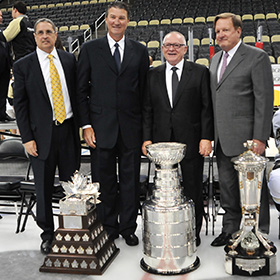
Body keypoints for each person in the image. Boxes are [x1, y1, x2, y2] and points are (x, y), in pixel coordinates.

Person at [77, 1, 149, 246]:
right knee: (104, 182)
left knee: (130, 183)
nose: (117, 21)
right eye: (112, 17)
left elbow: (144, 94)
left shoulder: (139, 51)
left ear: (128, 21)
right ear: (106, 20)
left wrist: (145, 131)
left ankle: (128, 227)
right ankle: (108, 226)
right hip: (100, 129)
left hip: (131, 129)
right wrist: (86, 125)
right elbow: (81, 91)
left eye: (122, 17)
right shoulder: (89, 49)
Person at [13, 18, 81, 254]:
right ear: (34, 37)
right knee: (42, 187)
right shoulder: (23, 66)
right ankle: (48, 234)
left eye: (48, 32)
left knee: (71, 186)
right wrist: (26, 138)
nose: (44, 36)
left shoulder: (69, 59)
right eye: (40, 32)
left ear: (55, 34)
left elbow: (78, 94)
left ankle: (72, 230)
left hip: (69, 131)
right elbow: (20, 106)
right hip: (40, 137)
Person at [142, 31, 214, 247]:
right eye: (167, 45)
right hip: (161, 143)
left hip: (191, 141)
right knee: (164, 190)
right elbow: (147, 110)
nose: (171, 49)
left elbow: (206, 108)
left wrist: (206, 137)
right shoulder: (152, 74)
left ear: (185, 48)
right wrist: (146, 139)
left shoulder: (200, 72)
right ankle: (166, 230)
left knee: (192, 187)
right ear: (162, 49)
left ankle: (193, 232)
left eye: (176, 45)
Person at [209, 13, 274, 246]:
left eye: (225, 30)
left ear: (238, 31)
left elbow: (264, 101)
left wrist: (259, 137)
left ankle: (259, 231)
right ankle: (229, 229)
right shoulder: (215, 59)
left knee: (254, 189)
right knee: (226, 187)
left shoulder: (257, 57)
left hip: (248, 140)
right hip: (222, 138)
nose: (221, 35)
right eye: (217, 31)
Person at [0, 10, 13, 122]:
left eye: (1, 15)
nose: (1, 18)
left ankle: (2, 114)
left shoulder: (3, 33)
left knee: (3, 92)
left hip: (4, 67)